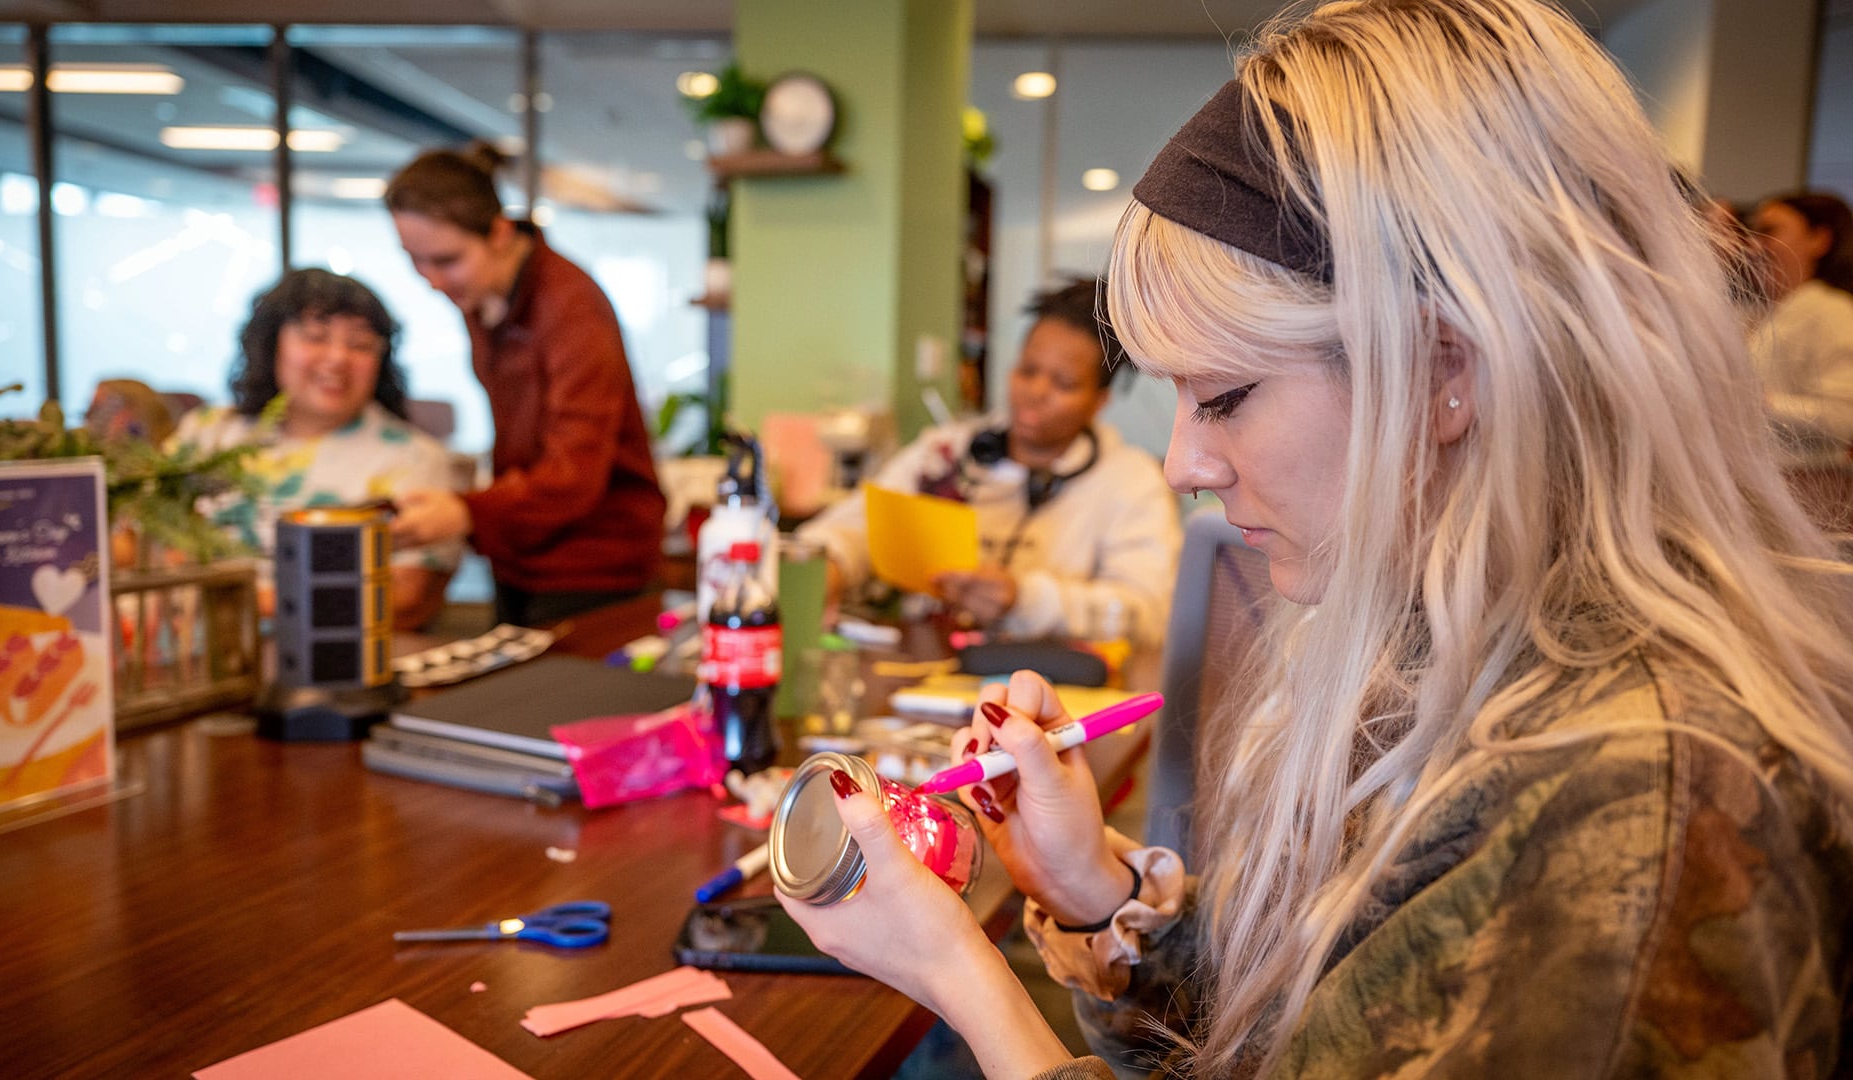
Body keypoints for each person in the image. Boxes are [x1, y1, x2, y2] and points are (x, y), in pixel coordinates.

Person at [779, 1, 1853, 1077]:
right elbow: (1308, 1035)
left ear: (1443, 369)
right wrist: (1092, 891)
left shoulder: (1633, 805)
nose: (1182, 465)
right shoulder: (1460, 659)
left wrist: (961, 978)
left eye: (1224, 396)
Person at [795, 279, 1182, 648]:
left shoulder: (1132, 482)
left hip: (1056, 686)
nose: (1035, 392)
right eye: (1027, 371)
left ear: (1099, 402)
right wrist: (828, 564)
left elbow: (1148, 613)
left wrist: (1024, 600)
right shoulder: (945, 452)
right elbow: (856, 523)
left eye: (1063, 384)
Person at [382, 142, 666, 627]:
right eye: (415, 260)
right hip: (523, 556)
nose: (430, 280)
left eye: (446, 260)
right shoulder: (482, 296)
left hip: (593, 570)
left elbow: (574, 474)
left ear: (498, 232)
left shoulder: (571, 310)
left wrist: (464, 512)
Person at [172, 268, 459, 630]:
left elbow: (407, 598)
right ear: (271, 343)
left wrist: (237, 600)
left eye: (360, 344)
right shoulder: (207, 432)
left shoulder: (414, 459)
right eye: (315, 337)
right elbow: (137, 543)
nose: (337, 357)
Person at [1749, 190, 1853, 456]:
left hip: (1807, 485)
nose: (1754, 245)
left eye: (1769, 231)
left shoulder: (1834, 313)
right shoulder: (1764, 314)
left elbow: (1845, 417)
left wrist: (1755, 404)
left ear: (1819, 240)